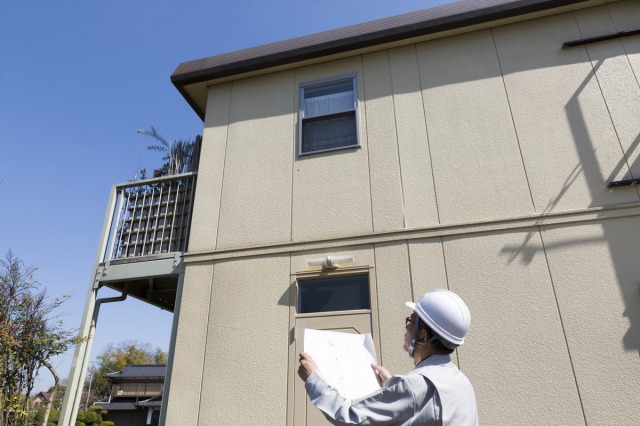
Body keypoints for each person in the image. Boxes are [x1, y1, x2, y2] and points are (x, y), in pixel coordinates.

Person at [298, 289, 478, 425]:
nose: (406, 328)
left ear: (423, 336)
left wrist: (314, 379)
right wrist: (392, 383)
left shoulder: (414, 387)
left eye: (411, 321)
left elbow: (351, 417)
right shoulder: (463, 384)